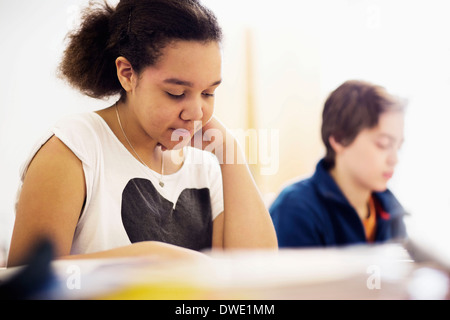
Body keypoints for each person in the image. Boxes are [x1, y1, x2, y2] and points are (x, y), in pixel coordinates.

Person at [7, 0, 277, 267]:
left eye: (209, 93)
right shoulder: (73, 149)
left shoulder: (207, 165)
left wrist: (230, 150)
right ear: (127, 74)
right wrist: (148, 259)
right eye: (176, 93)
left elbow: (258, 274)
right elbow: (28, 282)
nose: (196, 112)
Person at [270, 80, 408, 247]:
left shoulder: (390, 209)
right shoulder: (296, 208)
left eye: (398, 146)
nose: (394, 159)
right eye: (383, 144)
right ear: (339, 139)